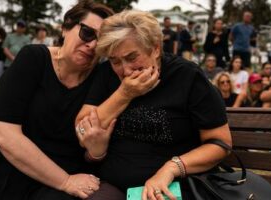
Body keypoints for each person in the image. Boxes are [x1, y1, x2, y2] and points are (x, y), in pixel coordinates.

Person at [0, 1, 114, 199]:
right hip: (6, 168)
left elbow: (91, 141)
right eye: (87, 32)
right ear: (65, 29)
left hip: (62, 177)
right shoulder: (33, 59)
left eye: (102, 40)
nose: (93, 44)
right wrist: (65, 181)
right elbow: (4, 134)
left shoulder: (101, 78)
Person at [76, 10, 232, 200]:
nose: (125, 70)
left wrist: (171, 168)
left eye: (132, 57)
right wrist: (125, 94)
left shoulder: (187, 76)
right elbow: (81, 131)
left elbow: (220, 143)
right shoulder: (106, 74)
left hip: (173, 185)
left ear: (155, 48)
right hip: (115, 185)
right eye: (115, 61)